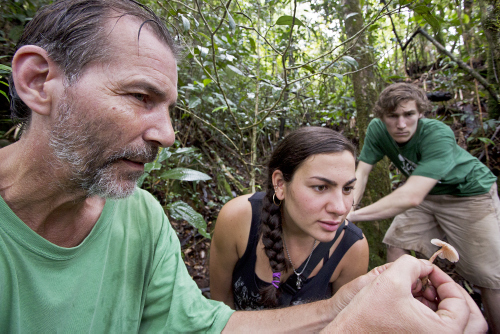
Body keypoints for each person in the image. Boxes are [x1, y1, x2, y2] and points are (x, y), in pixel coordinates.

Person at [0, 0, 487, 332]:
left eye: (168, 107)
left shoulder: (141, 216)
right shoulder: (238, 218)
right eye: (139, 96)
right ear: (39, 81)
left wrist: (353, 302)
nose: (166, 134)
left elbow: (209, 324)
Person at [347, 82, 500, 331]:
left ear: (420, 112)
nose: (401, 124)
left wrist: (352, 217)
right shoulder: (377, 129)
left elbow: (411, 196)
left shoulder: (437, 134)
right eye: (392, 116)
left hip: (469, 194)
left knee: (490, 277)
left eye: (408, 114)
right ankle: (408, 318)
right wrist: (347, 206)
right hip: (427, 195)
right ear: (382, 116)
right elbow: (362, 173)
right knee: (397, 247)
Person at [210, 127, 369, 310]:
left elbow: (342, 323)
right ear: (280, 184)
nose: (340, 208)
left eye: (347, 189)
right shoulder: (238, 219)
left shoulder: (352, 248)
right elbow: (219, 307)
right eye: (320, 187)